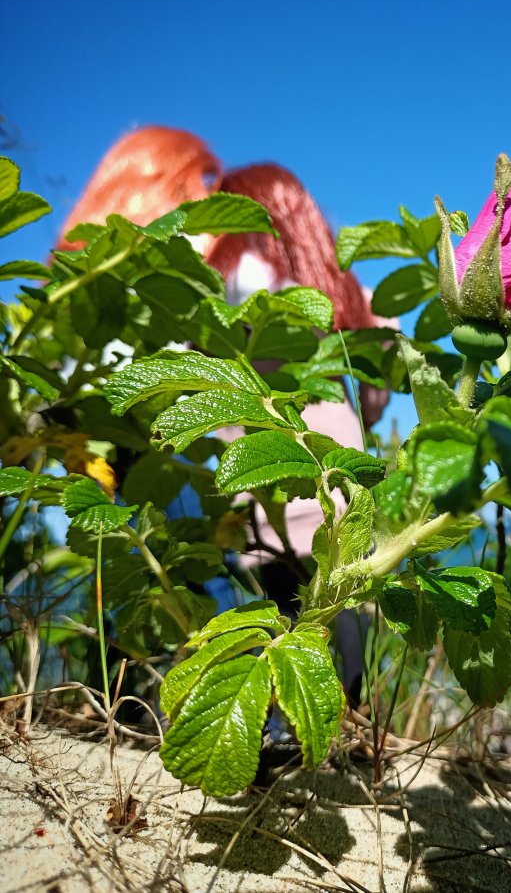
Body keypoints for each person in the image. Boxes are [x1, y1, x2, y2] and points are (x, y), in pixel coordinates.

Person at [57, 126, 390, 701]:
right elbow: (378, 389)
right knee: (323, 661)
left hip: (256, 536)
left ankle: (162, 691)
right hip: (342, 540)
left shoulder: (227, 278)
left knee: (212, 604)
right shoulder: (344, 309)